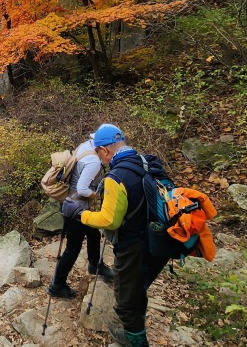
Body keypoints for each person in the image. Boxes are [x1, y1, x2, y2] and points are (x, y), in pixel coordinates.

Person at [63, 124, 171, 347]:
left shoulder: (116, 176)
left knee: (125, 300)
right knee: (138, 288)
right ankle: (136, 330)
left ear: (104, 151)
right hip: (157, 240)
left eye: (98, 152)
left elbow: (108, 220)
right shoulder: (145, 162)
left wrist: (80, 214)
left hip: (133, 246)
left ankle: (135, 341)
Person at [47, 135, 115, 299]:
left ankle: (95, 264)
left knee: (93, 233)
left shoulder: (86, 145)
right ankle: (57, 285)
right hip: (76, 208)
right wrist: (102, 196)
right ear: (104, 147)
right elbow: (83, 189)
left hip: (70, 202)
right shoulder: (93, 162)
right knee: (73, 248)